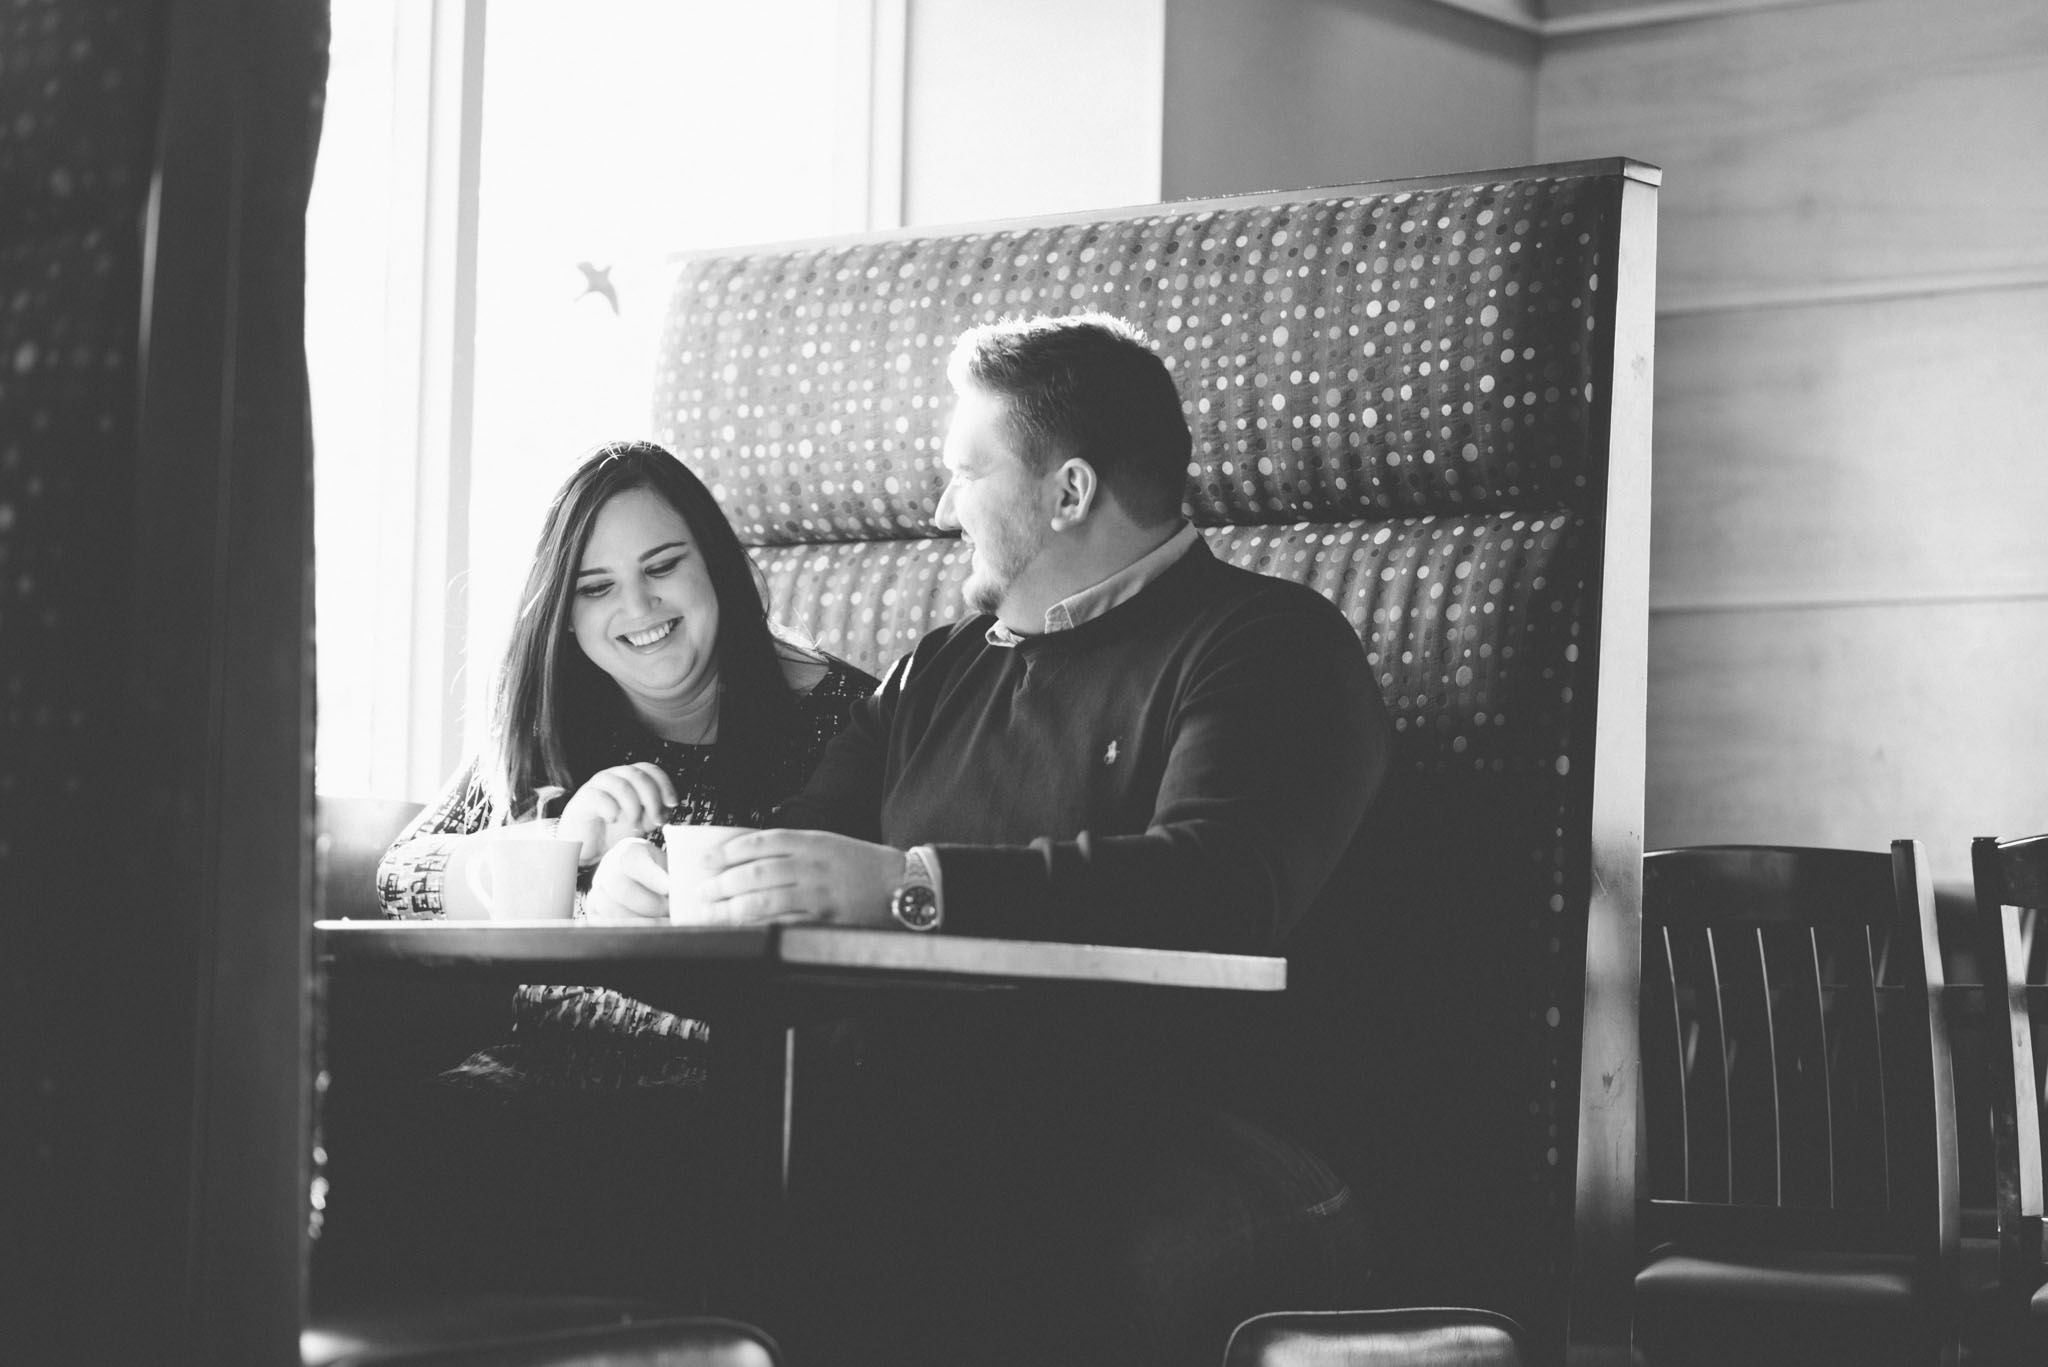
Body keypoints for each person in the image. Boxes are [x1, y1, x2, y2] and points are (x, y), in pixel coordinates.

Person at [593, 316, 1393, 1365]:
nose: (937, 510)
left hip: (1195, 1123)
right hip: (929, 1116)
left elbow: (1220, 886)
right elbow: (797, 861)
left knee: (950, 1218)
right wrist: (662, 899)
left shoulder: (1268, 646)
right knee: (636, 1180)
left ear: (1066, 492)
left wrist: (911, 889)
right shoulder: (936, 670)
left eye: (963, 473)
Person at [320, 440, 875, 1304]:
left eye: (663, 566)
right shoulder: (562, 716)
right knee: (364, 1131)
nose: (640, 606)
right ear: (567, 615)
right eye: (597, 587)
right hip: (534, 1063)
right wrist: (559, 848)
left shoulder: (846, 716)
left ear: (716, 567)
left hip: (732, 1082)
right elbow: (404, 873)